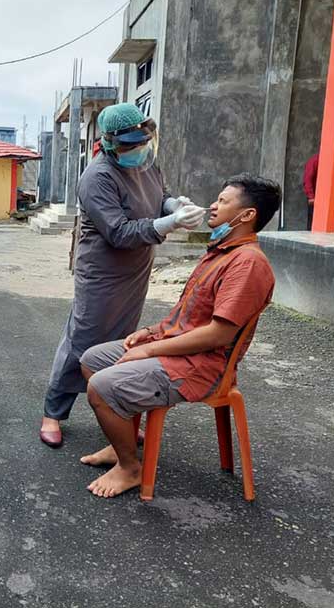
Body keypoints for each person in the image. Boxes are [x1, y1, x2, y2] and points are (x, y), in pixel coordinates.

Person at [78, 173, 281, 498]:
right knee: (93, 359)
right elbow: (187, 316)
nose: (213, 205)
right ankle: (121, 446)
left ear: (247, 216)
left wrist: (148, 351)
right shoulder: (221, 251)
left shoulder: (248, 264)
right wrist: (148, 333)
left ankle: (130, 469)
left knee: (101, 386)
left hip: (202, 367)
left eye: (223, 201)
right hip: (178, 352)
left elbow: (218, 335)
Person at [40, 103, 206, 448]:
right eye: (129, 146)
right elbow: (118, 232)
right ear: (112, 144)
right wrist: (167, 224)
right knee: (82, 340)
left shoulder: (147, 162)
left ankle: (116, 413)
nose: (137, 152)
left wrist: (175, 206)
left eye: (142, 143)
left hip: (136, 269)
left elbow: (160, 196)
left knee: (123, 340)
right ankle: (53, 412)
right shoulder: (97, 177)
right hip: (102, 271)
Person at [303, 152, 319, 230]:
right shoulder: (315, 160)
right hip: (314, 198)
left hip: (322, 197)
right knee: (312, 223)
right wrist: (311, 196)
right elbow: (307, 179)